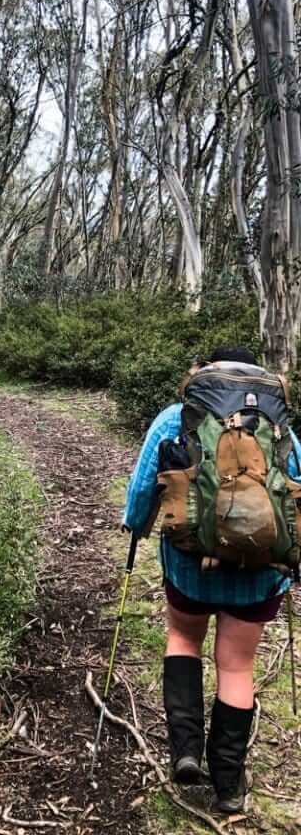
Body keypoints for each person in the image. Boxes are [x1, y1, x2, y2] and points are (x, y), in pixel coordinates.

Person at [123, 346, 301, 814]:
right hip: (260, 574)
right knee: (237, 666)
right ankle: (228, 785)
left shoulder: (177, 417)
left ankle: (185, 752)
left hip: (189, 564)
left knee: (183, 638)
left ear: (205, 375)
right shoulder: (280, 429)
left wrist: (136, 526)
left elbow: (145, 486)